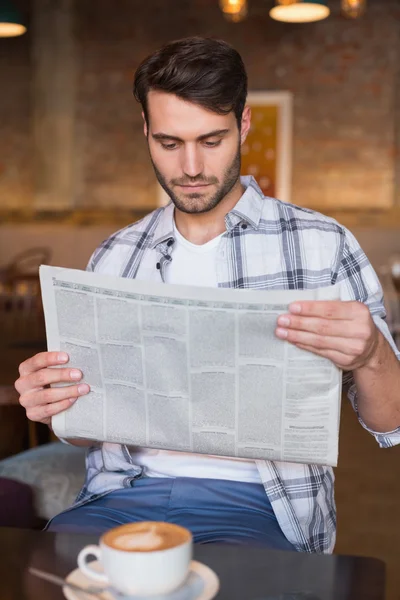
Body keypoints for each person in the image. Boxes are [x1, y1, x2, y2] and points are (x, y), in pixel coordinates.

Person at [15, 37, 400, 553]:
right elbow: (88, 431)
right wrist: (55, 405)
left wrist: (373, 353)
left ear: (243, 126)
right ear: (147, 132)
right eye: (170, 144)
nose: (191, 167)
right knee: (47, 577)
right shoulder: (116, 254)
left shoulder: (321, 244)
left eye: (211, 141)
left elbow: (391, 422)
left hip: (263, 506)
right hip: (121, 497)